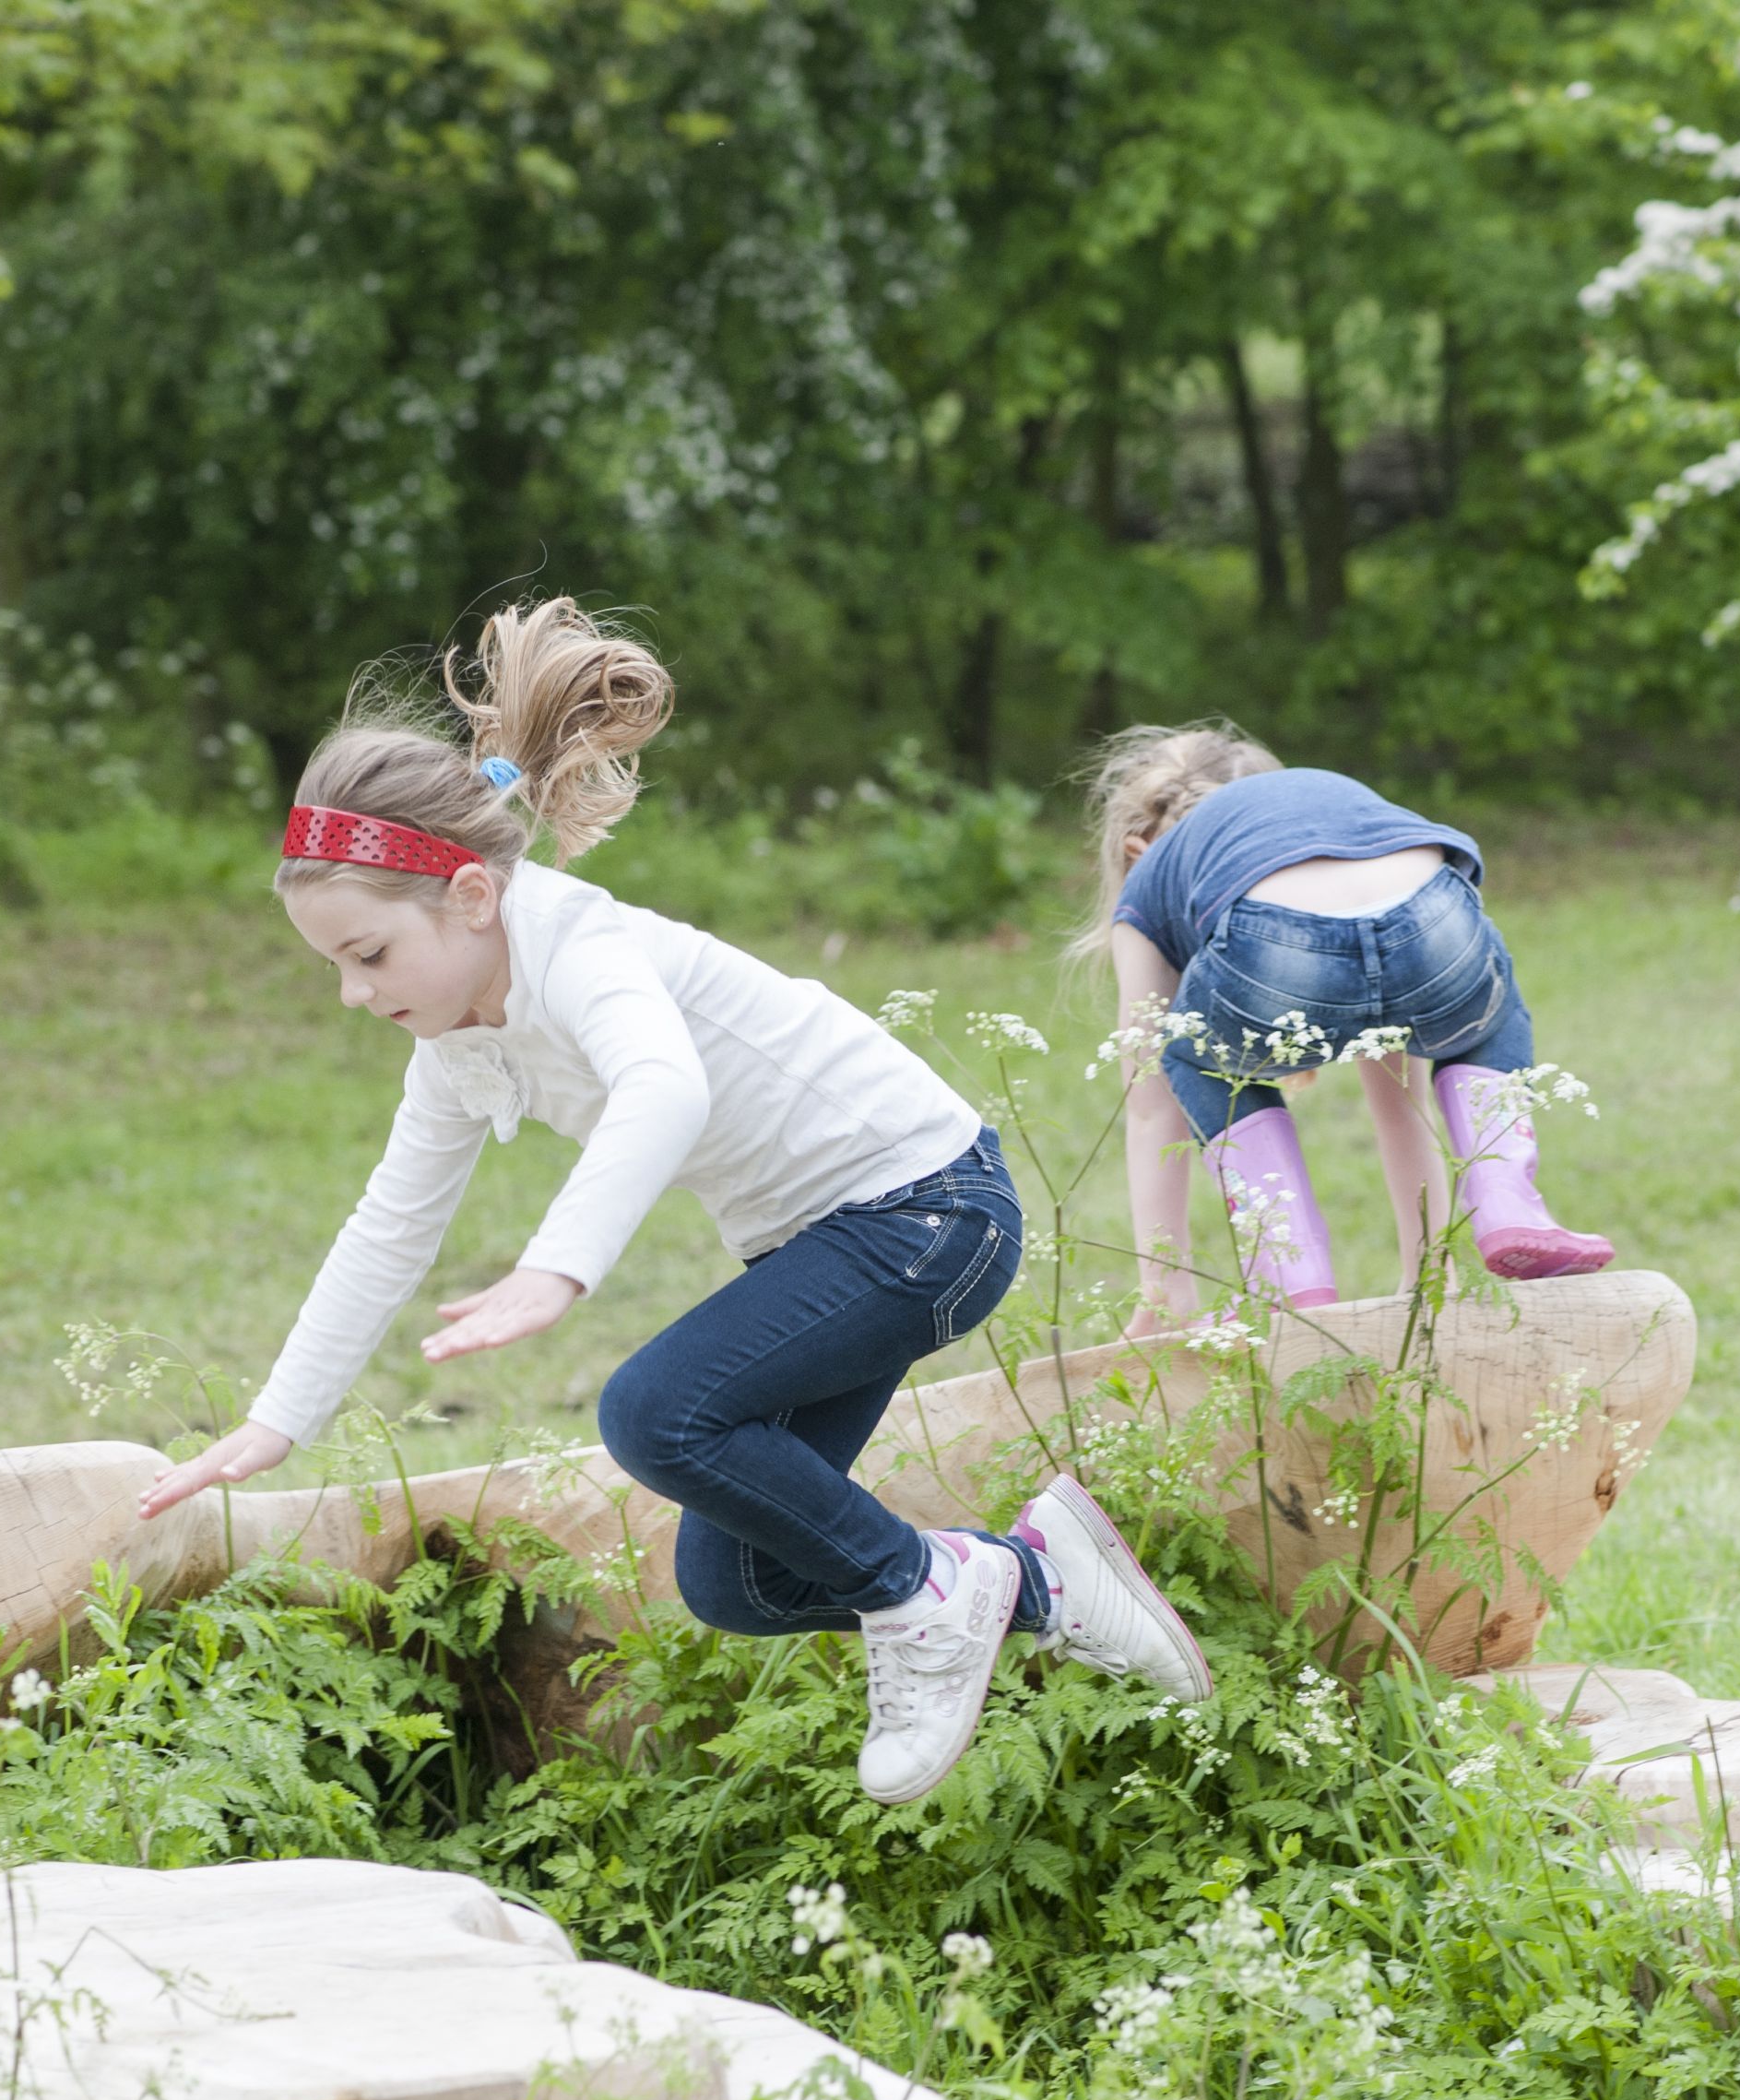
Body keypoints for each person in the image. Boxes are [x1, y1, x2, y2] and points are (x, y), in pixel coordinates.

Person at [135, 601, 1214, 1803]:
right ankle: (1030, 1577)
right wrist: (280, 1418)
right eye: (333, 965)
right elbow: (390, 1224)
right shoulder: (458, 1043)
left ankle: (932, 1599)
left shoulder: (579, 946)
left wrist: (558, 1267)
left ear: (471, 899)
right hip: (834, 1244)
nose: (351, 993)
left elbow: (665, 1085)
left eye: (369, 955)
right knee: (734, 1582)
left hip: (929, 1213)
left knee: (656, 1414)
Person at [1083, 723, 1613, 1326]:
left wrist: (1162, 1288)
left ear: (1137, 848)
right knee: (1489, 1020)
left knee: (1191, 1056)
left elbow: (1151, 1108)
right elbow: (1401, 1109)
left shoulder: (1154, 878)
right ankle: (1508, 1202)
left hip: (1273, 938)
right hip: (1435, 908)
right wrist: (1428, 1277)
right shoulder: (1320, 806)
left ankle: (1287, 1271)